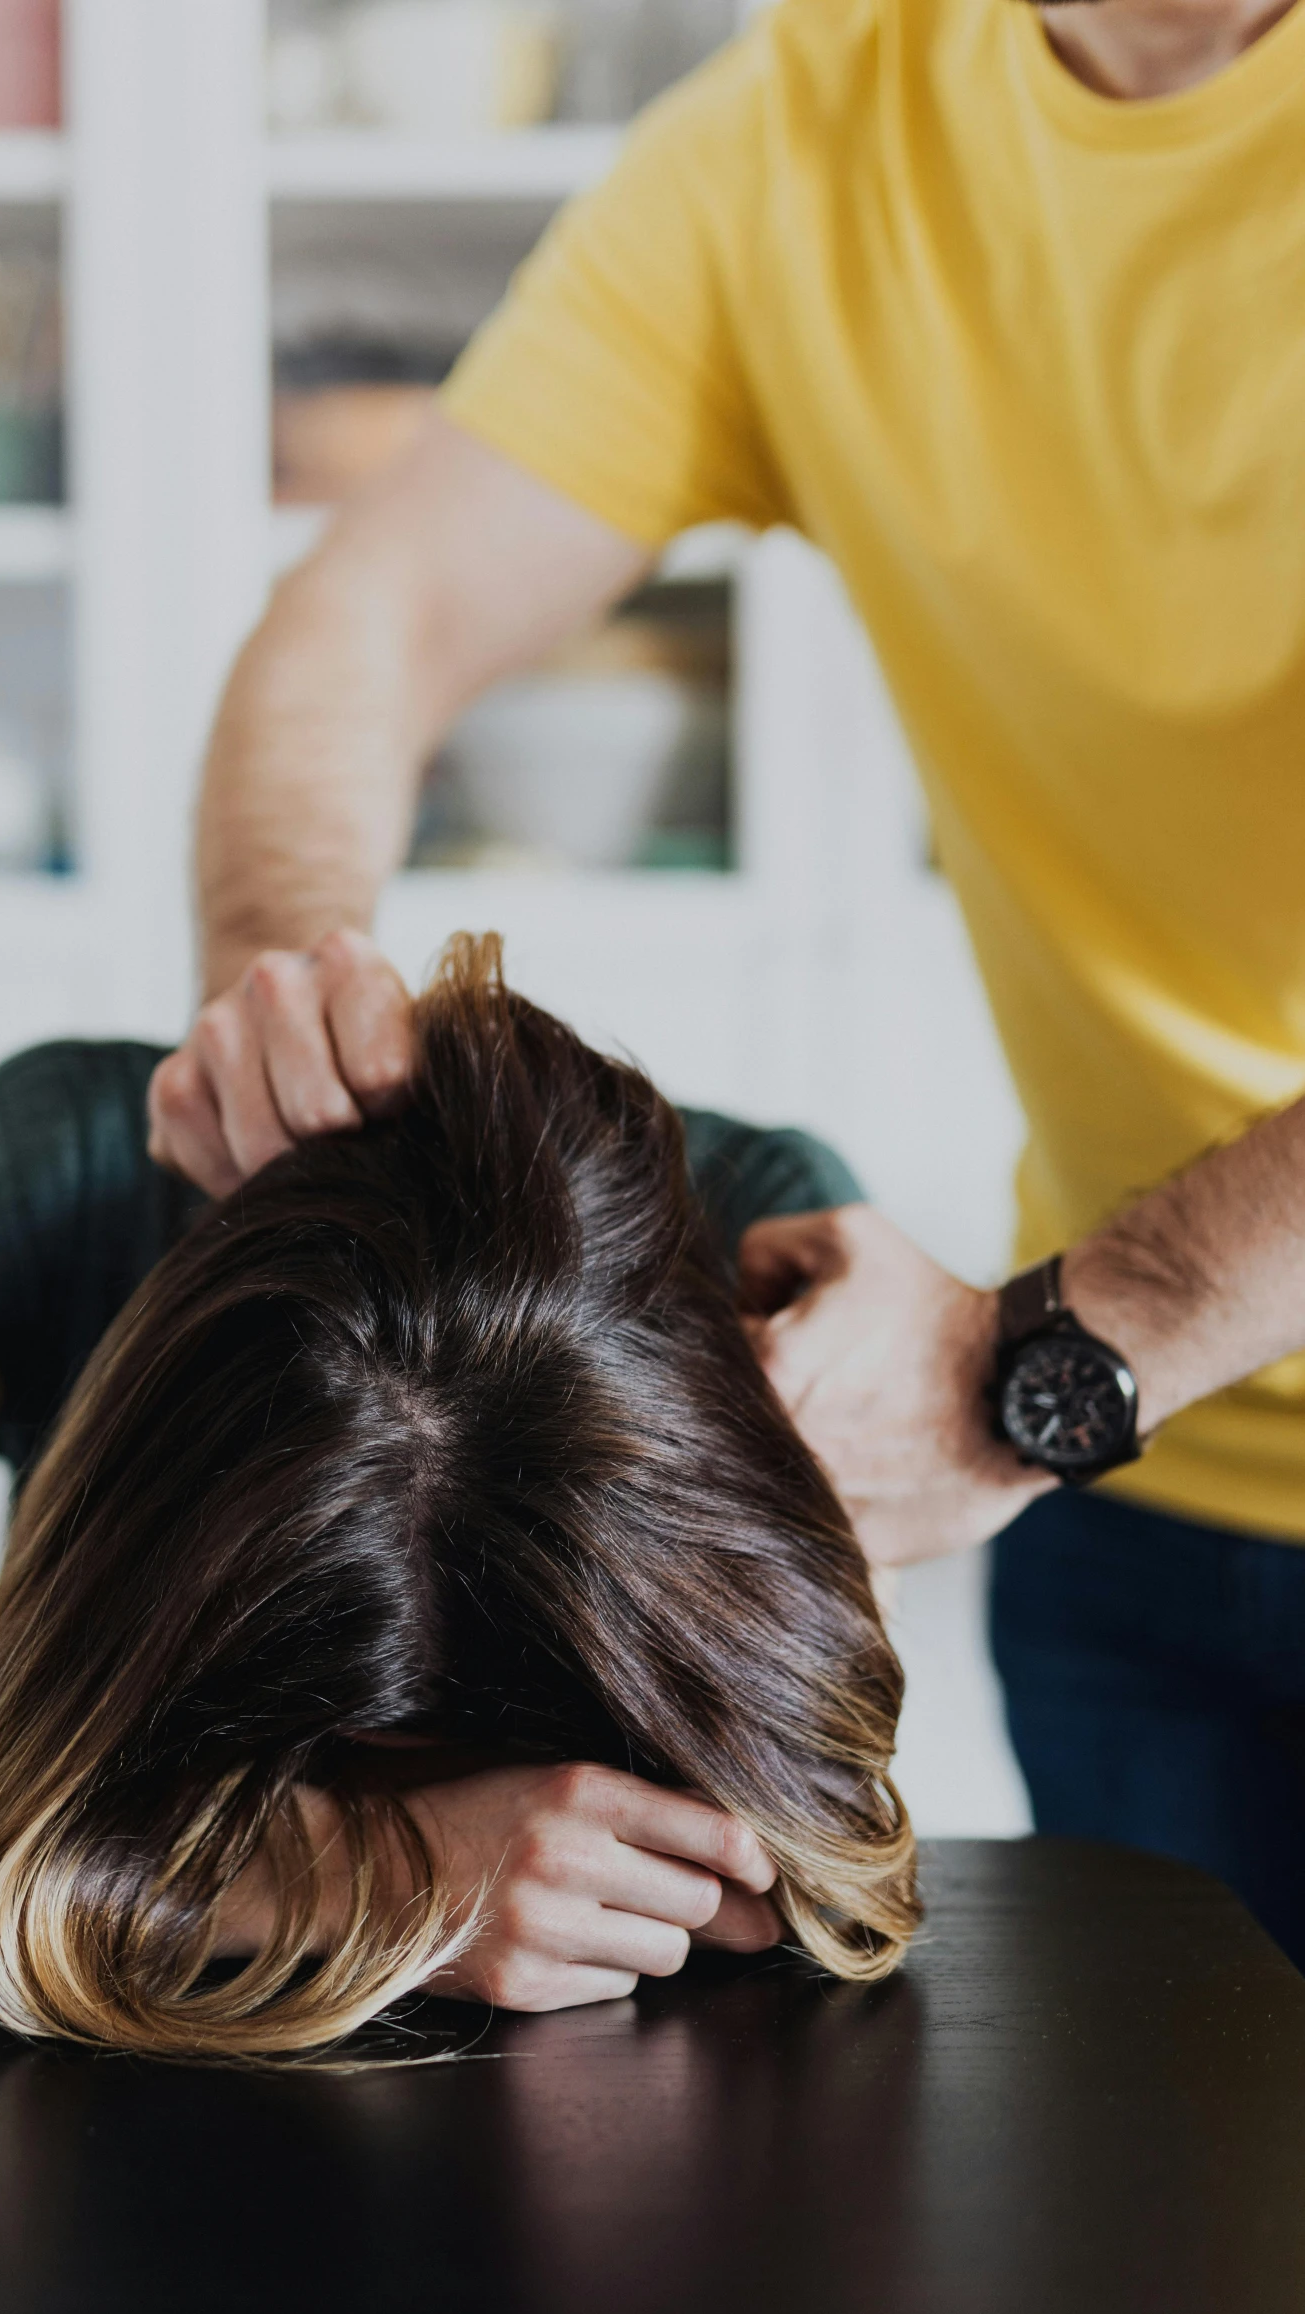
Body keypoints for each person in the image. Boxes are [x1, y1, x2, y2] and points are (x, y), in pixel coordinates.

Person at [147, 0, 1305, 1963]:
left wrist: (1060, 1354)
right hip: (1130, 1504)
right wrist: (279, 963)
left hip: (1089, 1379)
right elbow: (373, 606)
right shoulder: (804, 137)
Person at [0, 937, 916, 2058]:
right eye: (293, 1762)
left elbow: (808, 1851)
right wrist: (361, 1874)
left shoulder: (791, 1281)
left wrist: (55, 1809)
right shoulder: (63, 1162)